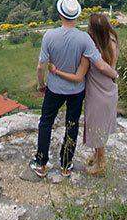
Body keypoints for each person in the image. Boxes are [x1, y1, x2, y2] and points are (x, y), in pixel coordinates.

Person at [33, 0, 101, 181]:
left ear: (60, 14)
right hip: (77, 90)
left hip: (54, 88)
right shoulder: (84, 39)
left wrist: (41, 85)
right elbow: (97, 62)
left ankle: (41, 164)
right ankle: (66, 165)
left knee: (46, 122)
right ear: (76, 16)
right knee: (71, 125)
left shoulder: (50, 36)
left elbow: (41, 66)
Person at [47, 10, 118, 175]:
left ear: (92, 30)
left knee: (97, 128)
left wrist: (57, 71)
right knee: (102, 126)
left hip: (96, 94)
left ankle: (100, 166)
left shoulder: (90, 52)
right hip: (110, 91)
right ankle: (95, 155)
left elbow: (78, 76)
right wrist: (115, 75)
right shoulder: (113, 43)